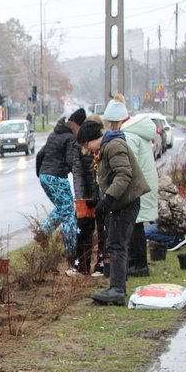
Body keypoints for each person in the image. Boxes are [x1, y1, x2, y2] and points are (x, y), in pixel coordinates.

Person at [75, 101, 151, 306]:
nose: (86, 150)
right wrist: (100, 199)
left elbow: (123, 175)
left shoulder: (113, 146)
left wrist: (108, 199)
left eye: (86, 145)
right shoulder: (107, 147)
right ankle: (117, 286)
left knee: (116, 245)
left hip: (124, 203)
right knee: (115, 244)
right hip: (121, 203)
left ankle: (117, 290)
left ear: (92, 139)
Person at [113, 97, 158, 278]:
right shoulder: (136, 130)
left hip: (138, 187)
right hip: (145, 184)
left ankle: (138, 265)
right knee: (137, 224)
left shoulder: (129, 135)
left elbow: (127, 167)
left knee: (135, 225)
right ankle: (138, 263)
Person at [35, 108, 86, 265]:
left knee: (63, 207)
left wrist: (41, 173)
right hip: (57, 176)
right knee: (69, 212)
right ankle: (71, 251)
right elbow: (72, 162)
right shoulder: (70, 138)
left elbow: (40, 154)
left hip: (45, 175)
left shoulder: (55, 133)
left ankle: (43, 231)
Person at [73, 114, 106, 276]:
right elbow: (78, 173)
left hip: (101, 195)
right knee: (83, 231)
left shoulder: (103, 148)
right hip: (85, 195)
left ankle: (101, 264)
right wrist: (80, 197)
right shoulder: (80, 149)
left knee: (102, 231)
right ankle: (82, 266)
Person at [145, 176, 186, 251]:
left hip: (177, 227)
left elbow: (166, 217)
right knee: (152, 220)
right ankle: (177, 237)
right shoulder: (173, 192)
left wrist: (157, 221)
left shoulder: (161, 196)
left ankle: (173, 239)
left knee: (144, 232)